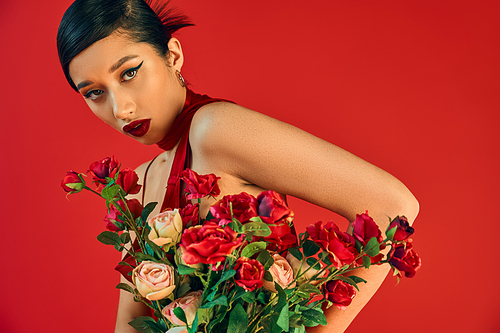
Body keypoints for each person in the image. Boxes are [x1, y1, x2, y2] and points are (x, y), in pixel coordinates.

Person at [57, 0, 419, 332]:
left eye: (130, 73)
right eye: (94, 92)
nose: (121, 109)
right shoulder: (138, 183)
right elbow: (130, 325)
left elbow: (394, 206)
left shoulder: (215, 129)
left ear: (172, 55)